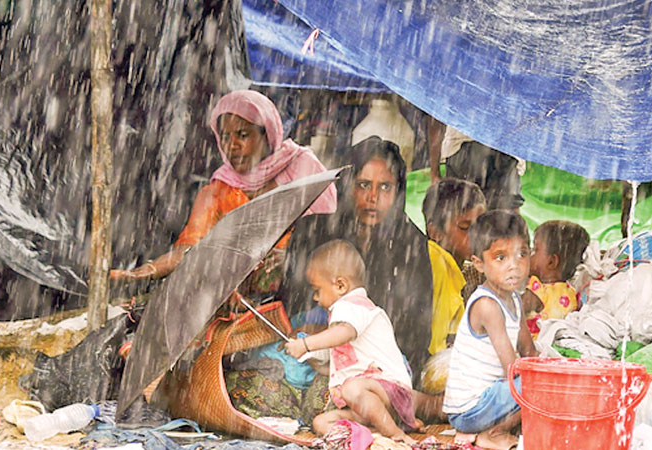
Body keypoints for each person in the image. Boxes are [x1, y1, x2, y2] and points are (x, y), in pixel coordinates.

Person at [110, 90, 337, 281]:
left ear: (267, 135)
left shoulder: (304, 170)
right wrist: (148, 270)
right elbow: (189, 249)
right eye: (225, 137)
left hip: (307, 290)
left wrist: (290, 258)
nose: (232, 146)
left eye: (242, 135)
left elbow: (329, 240)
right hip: (240, 304)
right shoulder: (217, 191)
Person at [278, 136, 433, 376]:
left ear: (398, 192)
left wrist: (343, 338)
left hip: (379, 364)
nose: (373, 197)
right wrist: (317, 337)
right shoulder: (313, 231)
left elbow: (415, 332)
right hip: (310, 352)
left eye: (385, 187)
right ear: (348, 186)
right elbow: (290, 305)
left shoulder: (410, 244)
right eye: (363, 185)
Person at [285, 240, 420, 443]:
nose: (315, 298)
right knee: (321, 423)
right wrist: (309, 355)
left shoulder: (352, 307)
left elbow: (344, 332)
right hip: (369, 404)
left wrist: (306, 344)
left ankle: (395, 435)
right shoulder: (342, 316)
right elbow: (334, 354)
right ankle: (376, 431)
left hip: (388, 391)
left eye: (317, 290)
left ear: (340, 285)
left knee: (352, 389)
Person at [443, 211, 538, 450]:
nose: (514, 266)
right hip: (470, 410)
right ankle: (493, 433)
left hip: (490, 399)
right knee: (534, 384)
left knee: (545, 380)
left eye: (521, 255)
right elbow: (512, 368)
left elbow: (529, 351)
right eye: (500, 257)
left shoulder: (515, 299)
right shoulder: (487, 305)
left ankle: (499, 426)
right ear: (479, 264)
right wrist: (544, 381)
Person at [421, 178, 486, 355]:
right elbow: (437, 347)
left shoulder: (462, 268)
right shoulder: (436, 260)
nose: (477, 234)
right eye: (465, 227)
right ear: (436, 232)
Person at [428, 123, 525, 212]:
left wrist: (434, 173)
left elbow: (436, 119)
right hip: (505, 147)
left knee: (464, 213)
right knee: (507, 216)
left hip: (468, 149)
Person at [524, 220, 590, 337]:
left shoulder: (537, 288)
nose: (530, 254)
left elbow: (513, 309)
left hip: (532, 344)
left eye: (535, 249)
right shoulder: (572, 293)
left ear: (551, 262)